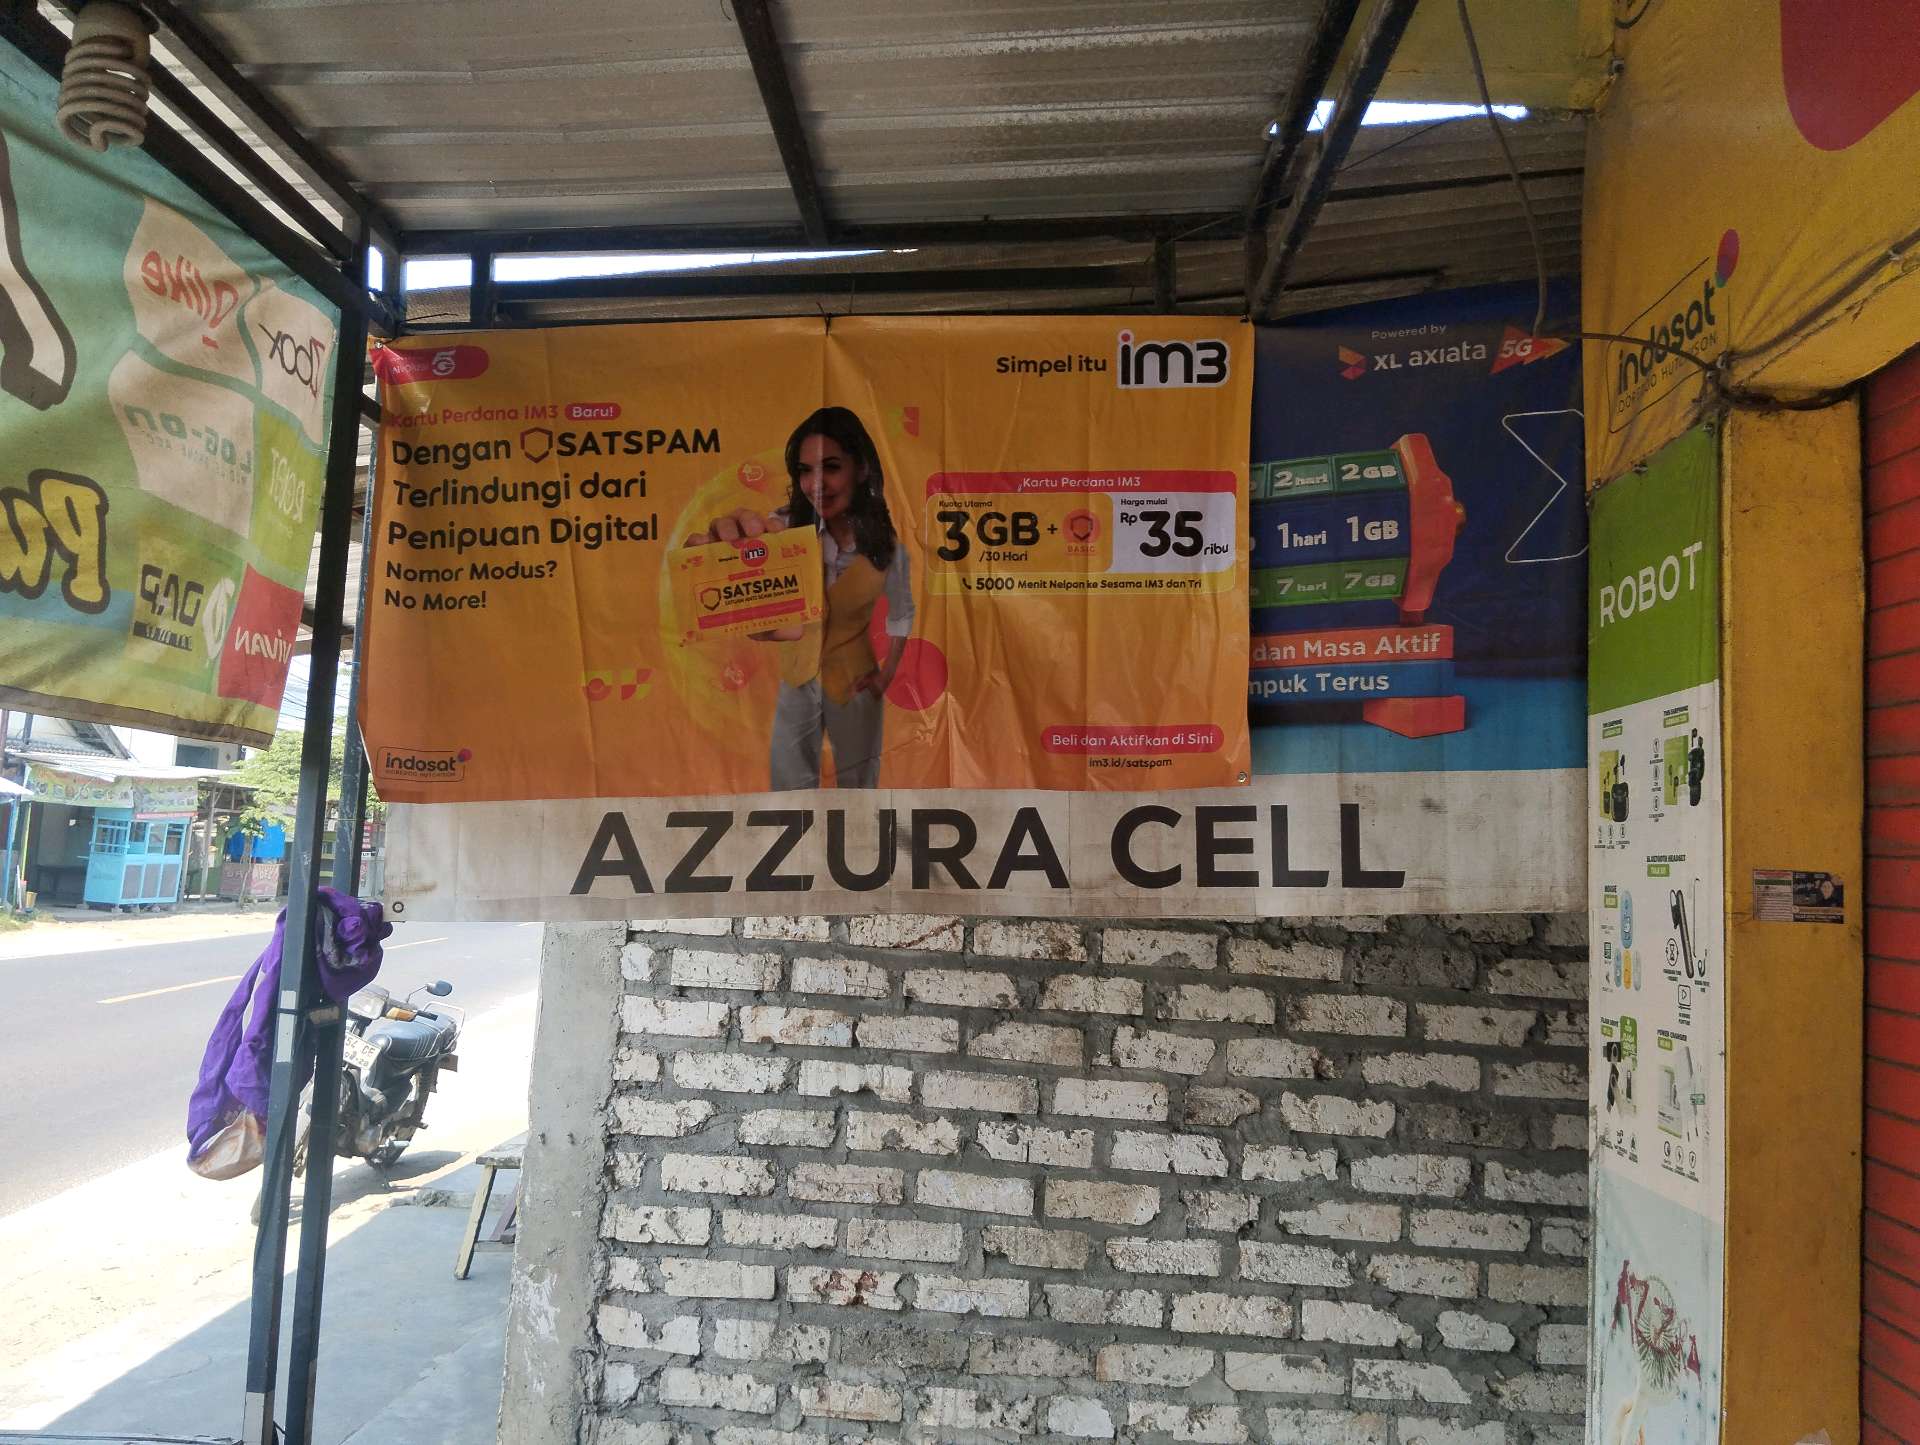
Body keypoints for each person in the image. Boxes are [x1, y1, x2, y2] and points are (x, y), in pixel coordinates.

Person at [688, 407, 912, 789]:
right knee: (788, 791)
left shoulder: (886, 547)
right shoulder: (783, 528)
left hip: (855, 683)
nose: (816, 484)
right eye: (805, 471)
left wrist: (885, 674)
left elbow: (902, 612)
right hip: (796, 680)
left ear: (861, 469)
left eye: (831, 467)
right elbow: (753, 591)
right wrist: (720, 564)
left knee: (859, 792)